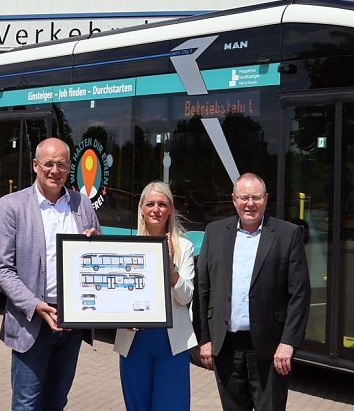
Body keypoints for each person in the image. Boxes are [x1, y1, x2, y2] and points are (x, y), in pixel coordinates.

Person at [0, 137, 101, 411]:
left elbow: (99, 255)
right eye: (49, 164)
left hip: (72, 321)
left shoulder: (82, 204)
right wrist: (35, 305)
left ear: (69, 169)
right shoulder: (11, 205)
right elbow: (1, 269)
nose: (55, 171)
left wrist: (95, 242)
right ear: (35, 166)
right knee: (27, 404)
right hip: (32, 321)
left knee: (56, 402)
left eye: (62, 165)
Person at [198, 173, 311, 411]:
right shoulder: (215, 232)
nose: (250, 204)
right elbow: (203, 289)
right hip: (225, 346)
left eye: (256, 198)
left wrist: (288, 343)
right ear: (234, 199)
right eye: (244, 198)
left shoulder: (287, 234)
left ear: (266, 199)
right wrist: (205, 340)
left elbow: (300, 293)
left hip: (270, 349)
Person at [113, 181, 197, 411]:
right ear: (141, 208)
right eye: (150, 204)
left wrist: (171, 268)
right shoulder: (125, 246)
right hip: (134, 342)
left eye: (162, 204)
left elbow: (186, 296)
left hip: (171, 343)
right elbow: (114, 296)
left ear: (170, 209)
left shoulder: (185, 247)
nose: (156, 209)